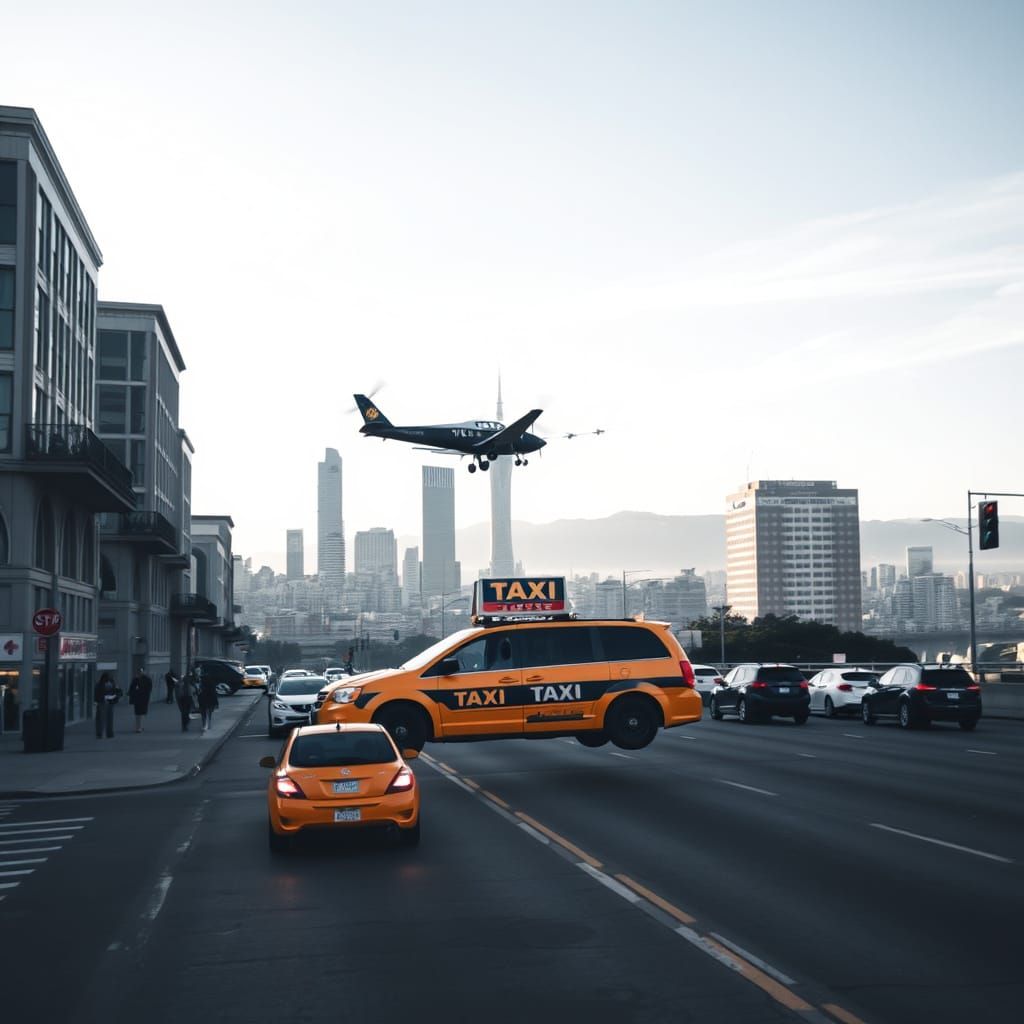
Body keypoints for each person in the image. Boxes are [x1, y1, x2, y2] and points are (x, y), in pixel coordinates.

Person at [94, 672, 122, 739]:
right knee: (109, 719)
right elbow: (119, 691)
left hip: (102, 702)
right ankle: (109, 733)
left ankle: (100, 734)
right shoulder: (112, 683)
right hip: (110, 702)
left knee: (101, 719)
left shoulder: (99, 684)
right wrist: (115, 697)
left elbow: (96, 694)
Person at [128, 666, 153, 733]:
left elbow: (132, 689)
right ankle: (138, 727)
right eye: (139, 672)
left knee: (140, 713)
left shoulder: (138, 679)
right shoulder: (143, 679)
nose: (139, 673)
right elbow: (149, 689)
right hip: (141, 698)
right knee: (140, 713)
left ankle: (139, 727)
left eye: (140, 672)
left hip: (140, 698)